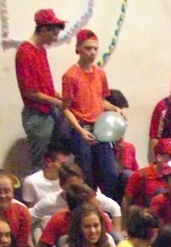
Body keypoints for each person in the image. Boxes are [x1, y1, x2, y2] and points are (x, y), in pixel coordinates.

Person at [60, 30, 119, 196]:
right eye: (88, 48)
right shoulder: (70, 76)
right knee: (86, 172)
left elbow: (101, 100)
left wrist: (115, 109)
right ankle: (87, 204)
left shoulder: (100, 73)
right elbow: (66, 108)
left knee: (109, 172)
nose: (92, 52)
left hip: (100, 127)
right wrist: (80, 130)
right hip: (82, 128)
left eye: (95, 48)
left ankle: (109, 206)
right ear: (78, 48)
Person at [14, 9, 66, 171]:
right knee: (39, 162)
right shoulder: (25, 52)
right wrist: (57, 102)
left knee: (55, 157)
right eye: (54, 34)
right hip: (37, 114)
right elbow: (30, 91)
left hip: (49, 110)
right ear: (43, 30)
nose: (55, 38)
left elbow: (43, 83)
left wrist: (57, 95)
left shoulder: (41, 50)